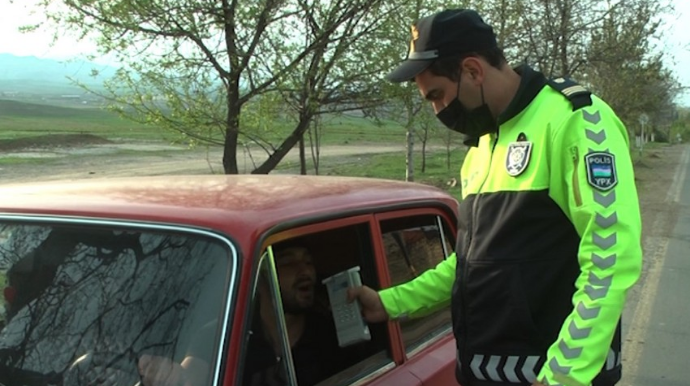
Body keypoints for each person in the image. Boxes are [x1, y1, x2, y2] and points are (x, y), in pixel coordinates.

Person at [348, 9, 642, 386]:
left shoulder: (575, 120)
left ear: (472, 70)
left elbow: (611, 258)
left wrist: (563, 377)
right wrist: (391, 302)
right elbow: (471, 262)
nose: (438, 111)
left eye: (437, 95)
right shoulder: (482, 147)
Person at [139, 243, 353, 386]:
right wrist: (175, 377)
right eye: (288, 262)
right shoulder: (222, 332)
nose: (305, 271)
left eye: (308, 262)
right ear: (261, 275)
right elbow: (193, 374)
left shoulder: (328, 333)